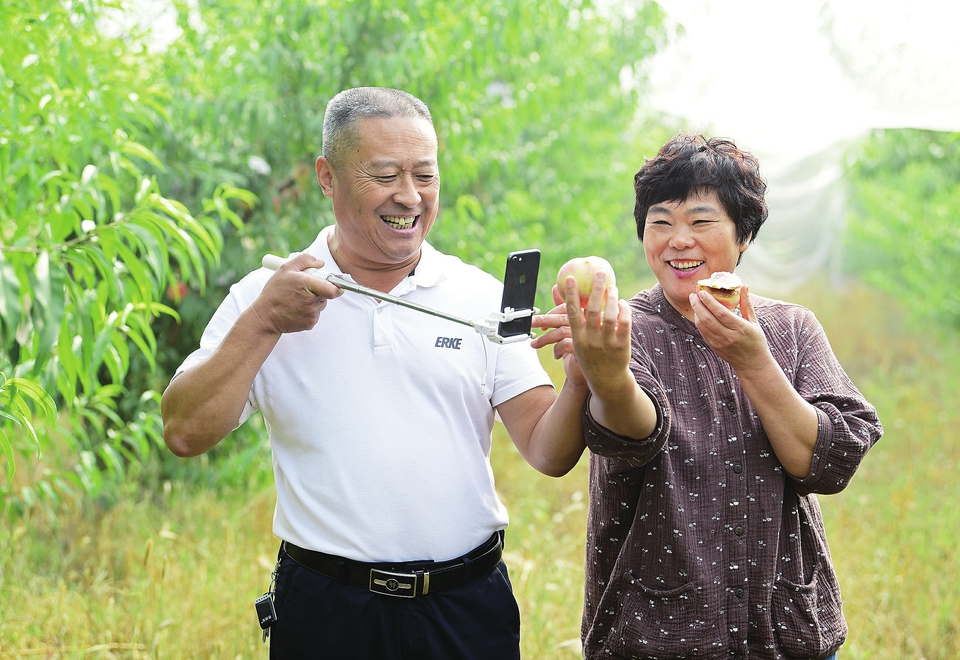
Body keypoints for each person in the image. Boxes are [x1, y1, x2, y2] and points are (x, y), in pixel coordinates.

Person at [161, 87, 589, 659]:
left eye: (425, 175)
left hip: (465, 609)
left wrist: (586, 375)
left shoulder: (484, 294)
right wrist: (265, 322)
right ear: (328, 177)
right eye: (385, 174)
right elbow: (184, 431)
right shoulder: (268, 296)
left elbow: (547, 451)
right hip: (327, 610)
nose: (410, 196)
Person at [532, 133, 883, 660]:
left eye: (700, 222)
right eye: (660, 223)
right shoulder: (626, 328)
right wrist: (606, 374)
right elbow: (635, 432)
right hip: (656, 636)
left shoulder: (791, 329)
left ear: (743, 236)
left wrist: (754, 362)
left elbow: (828, 466)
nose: (678, 240)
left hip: (785, 632)